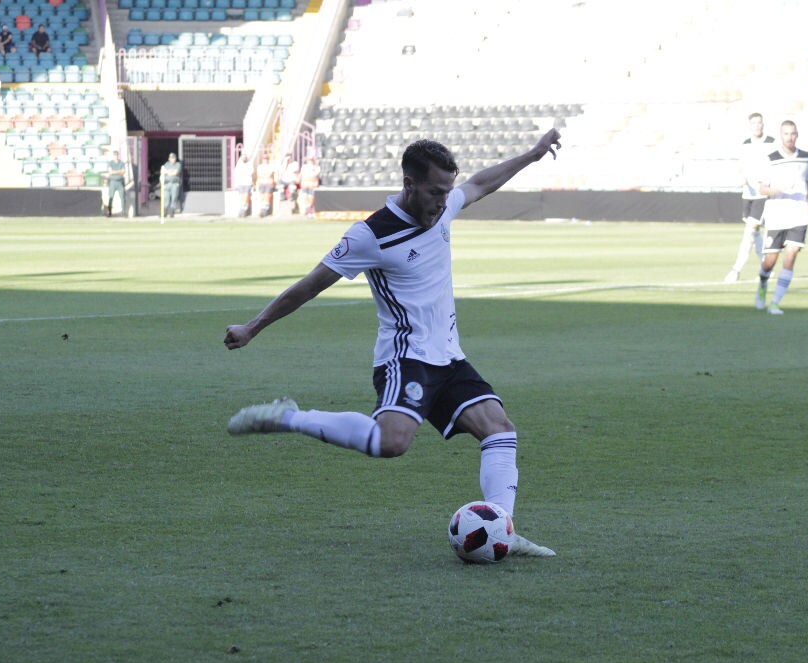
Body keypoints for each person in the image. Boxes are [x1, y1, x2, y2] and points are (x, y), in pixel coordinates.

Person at [223, 129, 563, 557]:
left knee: (500, 431)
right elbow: (310, 286)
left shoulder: (443, 208)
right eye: (434, 192)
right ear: (409, 185)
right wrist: (254, 326)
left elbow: (479, 184)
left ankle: (502, 531)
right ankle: (289, 417)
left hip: (449, 356)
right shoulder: (371, 235)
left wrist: (531, 155)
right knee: (392, 443)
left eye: (446, 192)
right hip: (405, 358)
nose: (443, 202)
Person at [754, 120, 808, 316]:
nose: (790, 137)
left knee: (791, 256)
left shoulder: (806, 157)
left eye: (793, 134)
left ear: (797, 135)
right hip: (777, 215)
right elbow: (762, 188)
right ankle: (763, 282)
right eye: (786, 134)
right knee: (770, 262)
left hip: (798, 214)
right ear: (781, 136)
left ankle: (775, 303)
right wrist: (779, 189)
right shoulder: (770, 158)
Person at [725, 112, 775, 283]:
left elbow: (776, 165)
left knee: (750, 232)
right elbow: (741, 166)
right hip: (748, 193)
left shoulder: (771, 143)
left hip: (762, 193)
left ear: (763, 124)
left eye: (759, 122)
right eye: (754, 123)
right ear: (749, 125)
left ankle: (735, 270)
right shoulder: (745, 144)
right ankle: (766, 265)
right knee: (754, 233)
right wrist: (740, 177)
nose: (757, 126)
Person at [104, 150, 127, 216]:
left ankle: (123, 212)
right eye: (114, 155)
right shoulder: (110, 163)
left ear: (118, 156)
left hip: (120, 182)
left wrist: (115, 172)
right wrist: (119, 171)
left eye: (117, 155)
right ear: (113, 156)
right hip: (112, 182)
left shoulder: (121, 163)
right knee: (111, 197)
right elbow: (110, 172)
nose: (116, 156)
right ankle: (109, 212)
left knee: (122, 197)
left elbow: (123, 172)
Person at [159, 152, 182, 218]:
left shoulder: (178, 164)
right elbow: (162, 171)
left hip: (174, 184)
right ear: (169, 158)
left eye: (174, 158)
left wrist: (167, 172)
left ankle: (172, 212)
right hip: (167, 184)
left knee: (174, 198)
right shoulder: (166, 164)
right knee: (166, 198)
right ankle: (164, 212)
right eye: (171, 158)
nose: (172, 159)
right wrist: (170, 172)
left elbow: (175, 173)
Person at [232, 151, 254, 217]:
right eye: (243, 155)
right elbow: (236, 174)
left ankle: (243, 211)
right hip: (240, 183)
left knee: (246, 197)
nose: (244, 157)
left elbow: (251, 172)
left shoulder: (249, 164)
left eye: (245, 155)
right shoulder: (239, 164)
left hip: (247, 183)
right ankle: (241, 211)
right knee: (241, 198)